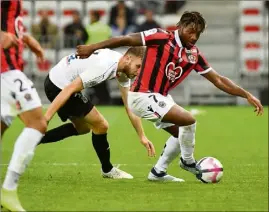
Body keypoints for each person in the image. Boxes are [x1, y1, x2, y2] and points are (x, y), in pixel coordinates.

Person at [76, 11, 264, 182]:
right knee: (189, 121)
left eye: (198, 33)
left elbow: (219, 80)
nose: (194, 37)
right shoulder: (160, 36)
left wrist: (245, 94)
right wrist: (92, 47)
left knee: (180, 133)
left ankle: (158, 172)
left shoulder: (193, 54)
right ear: (180, 26)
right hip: (141, 94)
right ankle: (188, 162)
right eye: (191, 31)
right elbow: (125, 39)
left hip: (160, 97)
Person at [38, 47, 155, 179]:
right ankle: (107, 169)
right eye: (138, 66)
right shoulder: (104, 67)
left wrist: (142, 136)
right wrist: (46, 118)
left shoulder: (121, 67)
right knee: (101, 125)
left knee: (83, 128)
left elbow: (129, 105)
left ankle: (34, 139)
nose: (138, 72)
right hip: (59, 85)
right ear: (128, 58)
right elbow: (69, 89)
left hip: (56, 79)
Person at [1, 0, 47, 211]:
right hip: (5, 69)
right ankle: (8, 191)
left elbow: (11, 24)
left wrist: (26, 38)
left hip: (8, 68)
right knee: (37, 123)